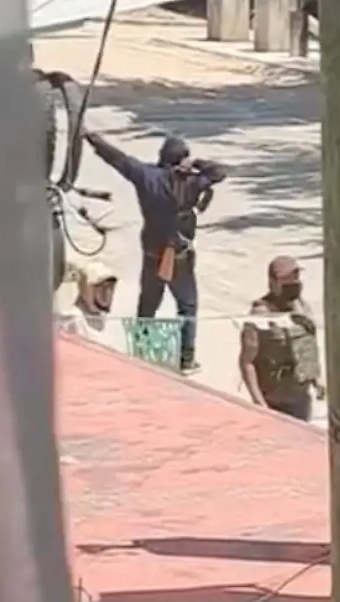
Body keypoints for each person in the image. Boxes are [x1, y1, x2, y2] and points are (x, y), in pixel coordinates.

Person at [84, 131, 227, 375]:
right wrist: (196, 165)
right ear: (183, 159)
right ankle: (186, 358)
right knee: (188, 306)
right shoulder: (192, 181)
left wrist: (92, 139)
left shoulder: (146, 176)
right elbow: (219, 172)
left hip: (152, 254)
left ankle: (141, 352)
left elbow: (118, 159)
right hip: (180, 256)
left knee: (148, 305)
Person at [238, 255, 324, 422]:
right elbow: (247, 362)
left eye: (295, 277)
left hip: (301, 397)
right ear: (273, 282)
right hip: (274, 400)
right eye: (286, 279)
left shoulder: (301, 308)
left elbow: (307, 346)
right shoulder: (259, 316)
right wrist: (259, 403)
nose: (293, 283)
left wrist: (315, 379)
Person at [55, 261, 124, 352]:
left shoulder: (112, 322)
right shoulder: (72, 321)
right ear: (86, 289)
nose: (107, 293)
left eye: (110, 288)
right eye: (101, 287)